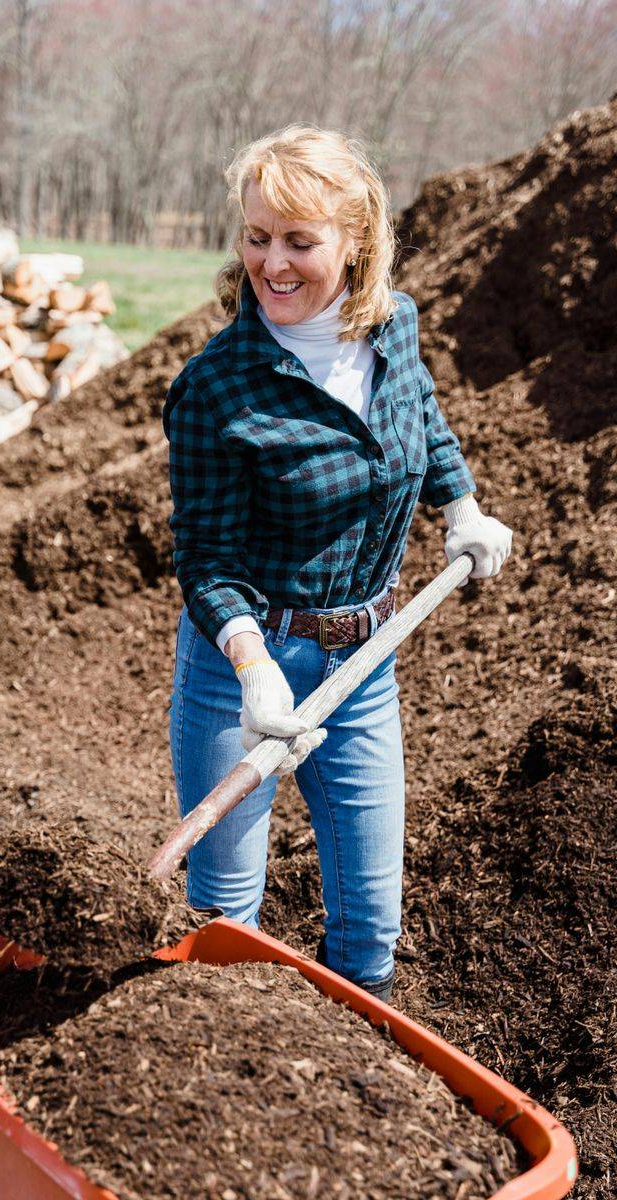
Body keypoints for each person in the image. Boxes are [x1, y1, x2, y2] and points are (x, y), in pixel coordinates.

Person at [161, 126, 512, 1004]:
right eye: (256, 236)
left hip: (365, 660)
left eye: (298, 241)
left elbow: (419, 417)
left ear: (355, 241)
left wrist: (461, 505)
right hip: (245, 668)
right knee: (227, 915)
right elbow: (204, 556)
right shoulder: (216, 387)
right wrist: (252, 671)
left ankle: (368, 1072)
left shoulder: (395, 327)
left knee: (370, 921)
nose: (270, 263)